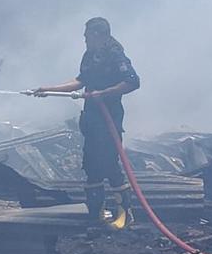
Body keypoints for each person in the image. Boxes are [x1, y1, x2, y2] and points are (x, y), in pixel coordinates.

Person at [32, 17, 140, 229]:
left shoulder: (116, 55)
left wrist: (105, 93)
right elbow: (81, 81)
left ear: (101, 35)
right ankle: (96, 212)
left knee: (109, 162)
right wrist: (49, 90)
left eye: (88, 35)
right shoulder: (90, 56)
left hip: (109, 115)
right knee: (91, 164)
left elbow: (133, 82)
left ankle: (125, 214)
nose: (84, 39)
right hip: (91, 116)